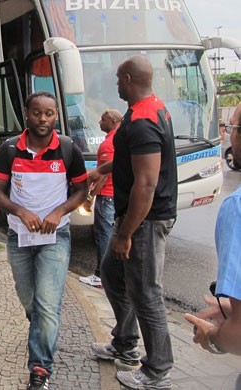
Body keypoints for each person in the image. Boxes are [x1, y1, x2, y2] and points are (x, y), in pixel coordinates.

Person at [0, 91, 88, 389]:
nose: (43, 119)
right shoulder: (9, 150)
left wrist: (59, 212)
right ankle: (43, 330)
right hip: (19, 236)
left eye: (49, 113)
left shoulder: (69, 149)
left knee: (46, 304)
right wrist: (19, 211)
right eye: (36, 113)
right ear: (27, 114)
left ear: (56, 115)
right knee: (30, 301)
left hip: (56, 236)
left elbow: (81, 191)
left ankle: (40, 370)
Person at [88, 55, 178, 389]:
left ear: (127, 78)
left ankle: (157, 371)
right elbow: (130, 161)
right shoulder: (146, 109)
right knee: (112, 273)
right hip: (135, 217)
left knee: (146, 293)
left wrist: (126, 233)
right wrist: (102, 170)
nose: (115, 84)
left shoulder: (142, 121)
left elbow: (146, 183)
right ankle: (124, 344)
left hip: (146, 220)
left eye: (117, 79)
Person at [184, 102, 241, 359]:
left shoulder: (237, 207)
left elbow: (238, 334)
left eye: (231, 127)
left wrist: (213, 335)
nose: (229, 134)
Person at [79, 108, 122, 288]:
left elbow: (104, 175)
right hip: (117, 195)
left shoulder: (108, 144)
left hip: (107, 197)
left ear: (112, 121)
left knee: (104, 235)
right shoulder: (122, 140)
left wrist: (89, 197)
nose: (99, 123)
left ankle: (101, 276)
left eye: (102, 120)